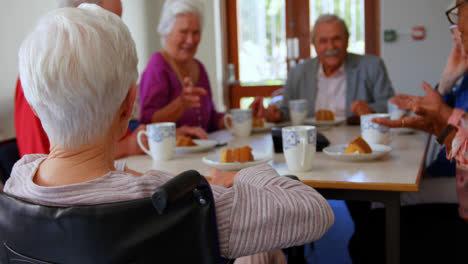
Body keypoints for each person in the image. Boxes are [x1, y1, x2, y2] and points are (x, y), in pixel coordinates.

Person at [4, 4, 334, 262]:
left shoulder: (16, 182)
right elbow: (314, 211)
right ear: (128, 104)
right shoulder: (175, 201)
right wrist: (239, 177)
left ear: (33, 105)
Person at [347, 1, 468, 262]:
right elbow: (438, 113)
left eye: (462, 29)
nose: (456, 33)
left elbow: (449, 124)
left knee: (372, 220)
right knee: (370, 214)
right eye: (456, 26)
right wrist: (447, 80)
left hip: (458, 189)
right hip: (449, 174)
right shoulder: (466, 75)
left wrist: (442, 122)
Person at [13, 0, 144, 159]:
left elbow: (119, 137)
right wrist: (126, 147)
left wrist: (135, 142)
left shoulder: (104, 75)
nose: (119, 37)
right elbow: (43, 163)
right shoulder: (41, 79)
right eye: (110, 24)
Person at [251, 14, 395, 122]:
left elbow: (392, 107)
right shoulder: (298, 72)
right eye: (323, 41)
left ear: (347, 39)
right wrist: (273, 114)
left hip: (358, 141)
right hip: (312, 142)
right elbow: (286, 112)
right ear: (314, 44)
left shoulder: (372, 66)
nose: (331, 47)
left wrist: (370, 109)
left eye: (336, 39)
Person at [139, 0, 224, 139]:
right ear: (166, 33)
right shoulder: (158, 66)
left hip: (202, 153)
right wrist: (180, 105)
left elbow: (212, 119)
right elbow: (147, 122)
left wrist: (239, 120)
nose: (190, 40)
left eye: (196, 32)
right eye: (184, 32)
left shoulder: (199, 67)